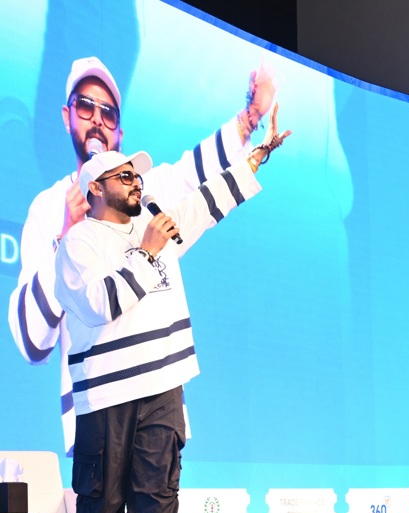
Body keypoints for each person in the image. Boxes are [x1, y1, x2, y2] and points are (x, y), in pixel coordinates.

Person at [57, 109, 289, 513]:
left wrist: (259, 154)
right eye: (124, 176)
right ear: (96, 189)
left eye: (138, 175)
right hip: (107, 391)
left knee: (156, 500)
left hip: (164, 384)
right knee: (102, 504)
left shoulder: (158, 223)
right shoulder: (79, 243)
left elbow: (208, 201)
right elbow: (101, 304)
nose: (136, 182)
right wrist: (147, 252)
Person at [8, 55, 276, 454]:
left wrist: (252, 116)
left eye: (108, 113)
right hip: (96, 410)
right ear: (67, 116)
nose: (97, 120)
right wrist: (66, 235)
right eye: (86, 106)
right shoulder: (48, 209)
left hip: (156, 403)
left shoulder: (145, 190)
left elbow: (196, 176)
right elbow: (32, 341)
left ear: (120, 131)